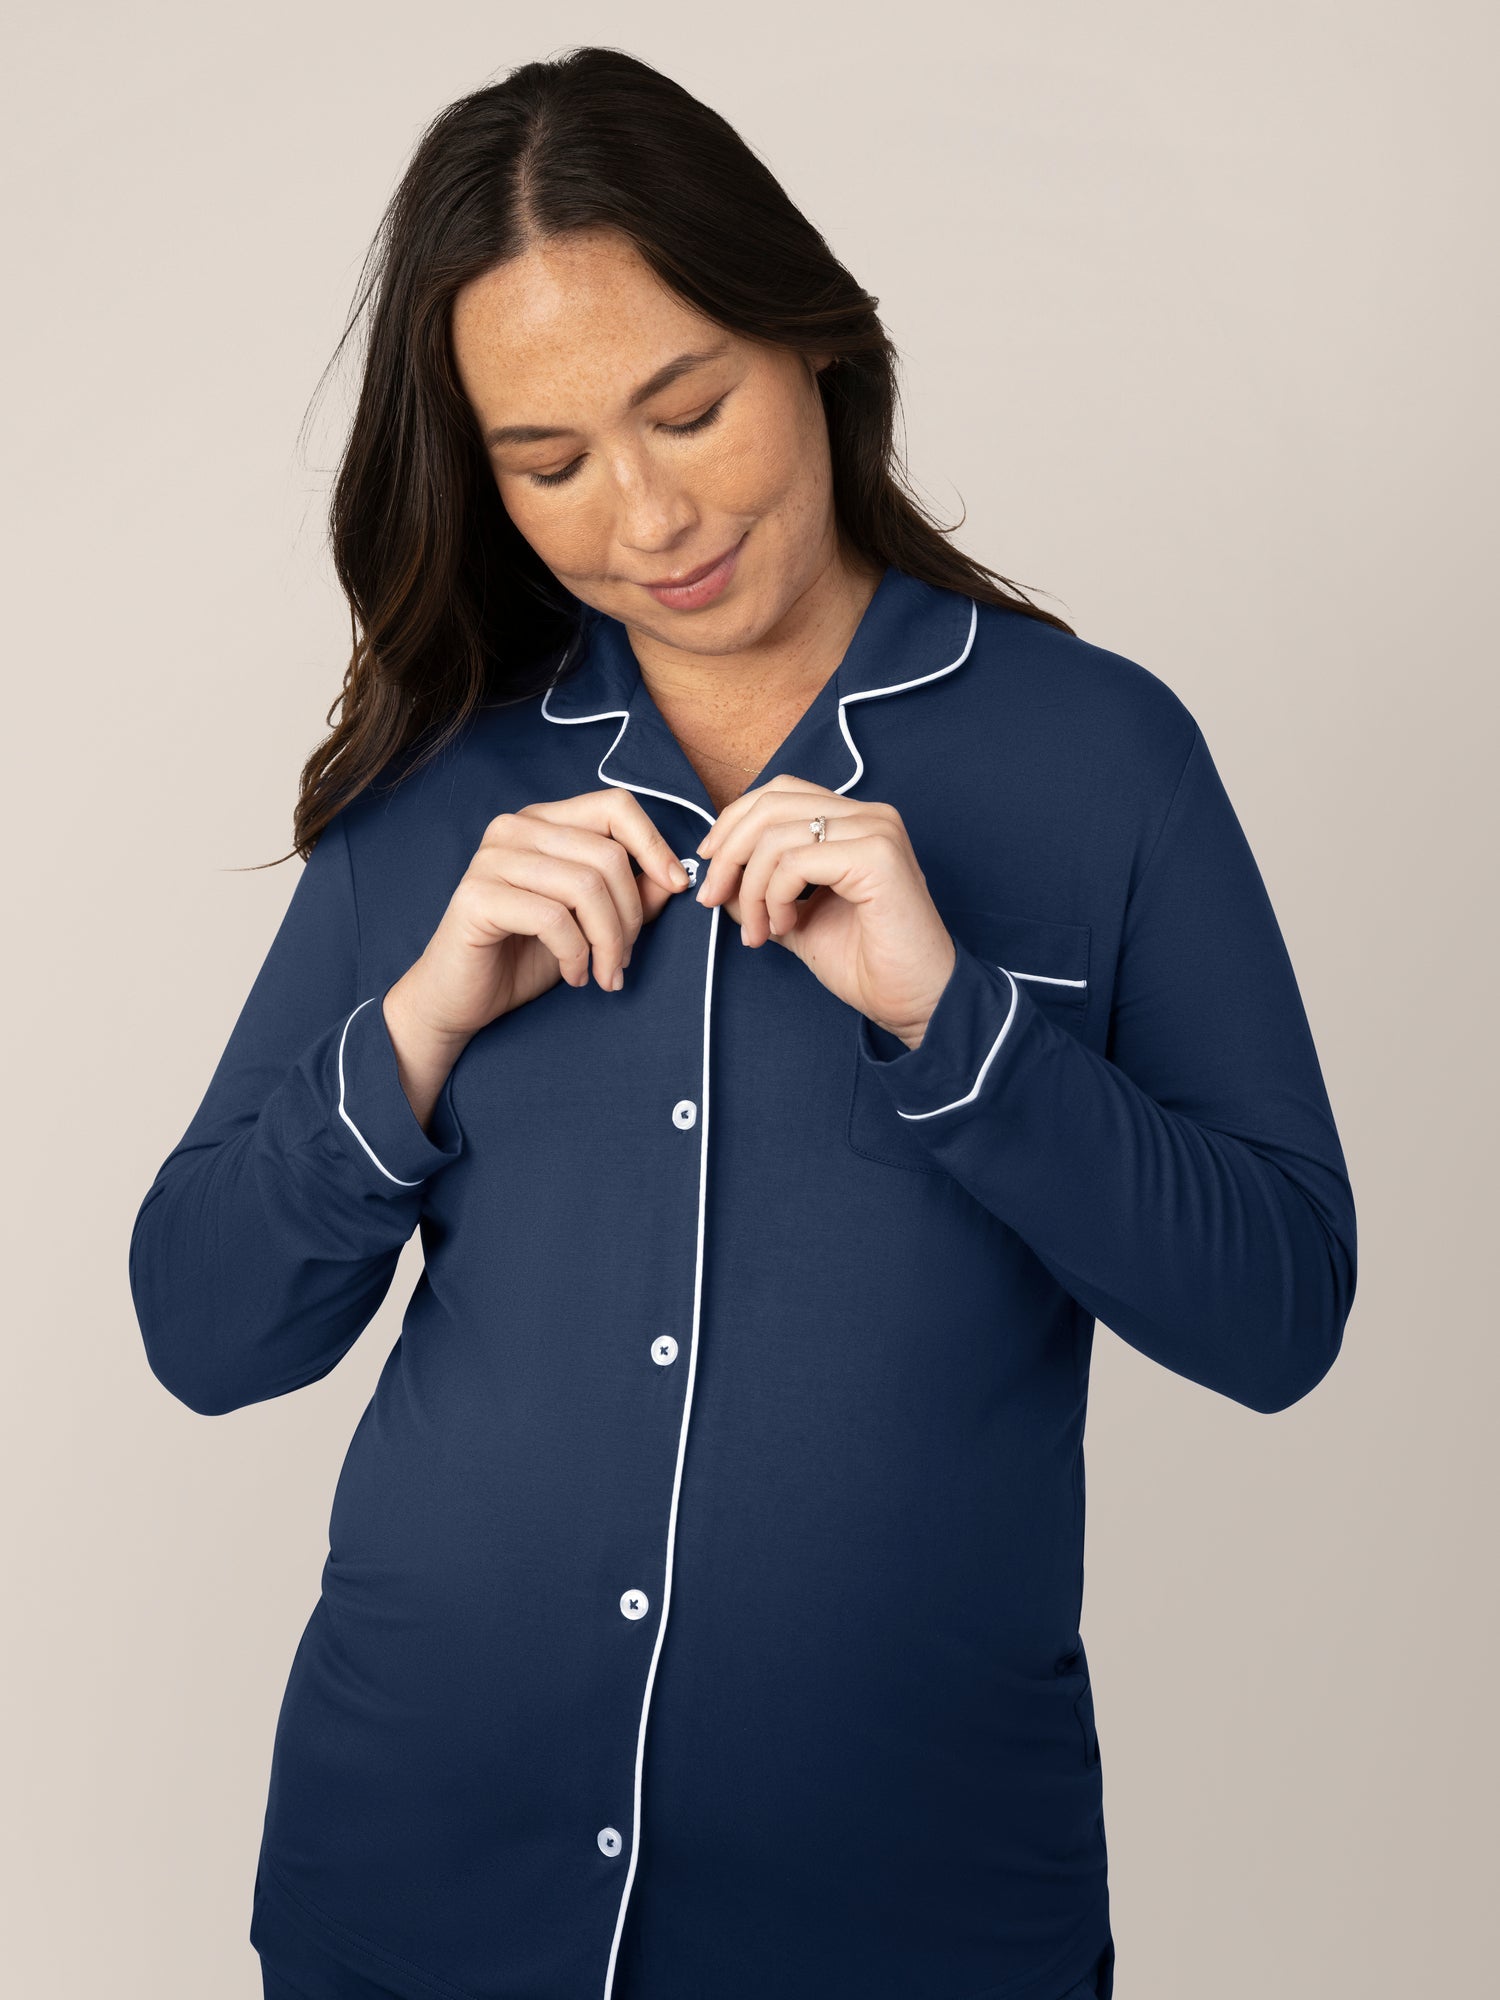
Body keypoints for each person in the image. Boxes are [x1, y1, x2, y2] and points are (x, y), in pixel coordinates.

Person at [129, 44, 1356, 2000]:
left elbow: (1278, 1311)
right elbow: (202, 1330)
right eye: (549, 463)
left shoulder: (1102, 759)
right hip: (417, 1900)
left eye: (687, 408)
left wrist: (958, 1025)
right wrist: (420, 1022)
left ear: (815, 338)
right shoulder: (442, 797)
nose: (646, 515)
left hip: (909, 1927)